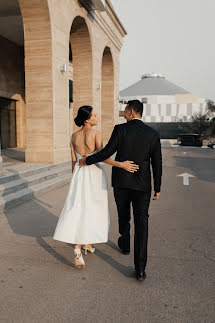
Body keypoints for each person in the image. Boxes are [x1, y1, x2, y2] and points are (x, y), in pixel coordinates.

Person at [80, 100, 162, 281]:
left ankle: (125, 243)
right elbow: (157, 163)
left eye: (125, 110)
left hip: (122, 184)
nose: (123, 113)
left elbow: (107, 152)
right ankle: (140, 269)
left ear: (131, 112)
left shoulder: (120, 130)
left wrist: (87, 160)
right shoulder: (153, 134)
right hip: (142, 186)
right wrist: (158, 188)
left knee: (123, 216)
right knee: (142, 223)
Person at [53, 105, 139, 269]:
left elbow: (73, 161)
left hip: (79, 174)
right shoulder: (96, 134)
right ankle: (79, 246)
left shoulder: (73, 136)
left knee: (79, 208)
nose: (97, 117)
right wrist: (120, 164)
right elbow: (102, 157)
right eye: (94, 116)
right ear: (87, 119)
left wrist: (75, 178)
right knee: (92, 209)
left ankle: (85, 245)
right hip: (94, 175)